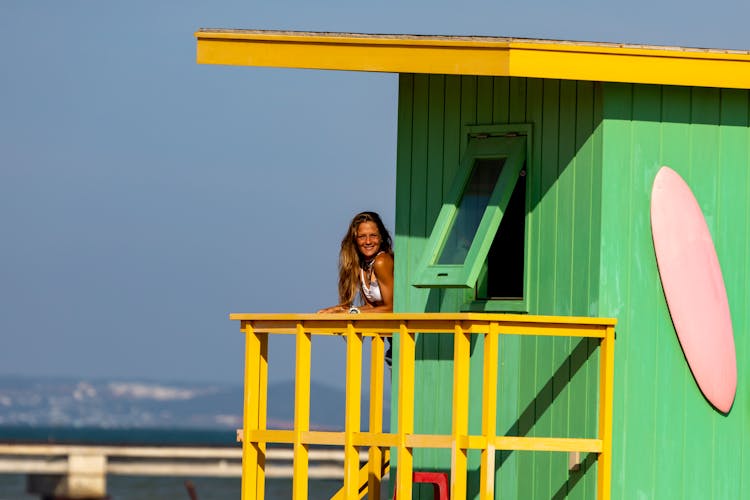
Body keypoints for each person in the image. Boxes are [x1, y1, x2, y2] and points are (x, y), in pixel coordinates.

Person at [318, 211, 394, 314]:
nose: (368, 241)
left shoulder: (382, 262)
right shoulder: (361, 265)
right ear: (355, 240)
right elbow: (371, 307)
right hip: (380, 327)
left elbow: (392, 308)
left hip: (398, 327)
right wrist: (337, 310)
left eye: (373, 235)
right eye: (362, 236)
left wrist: (351, 313)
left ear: (381, 238)